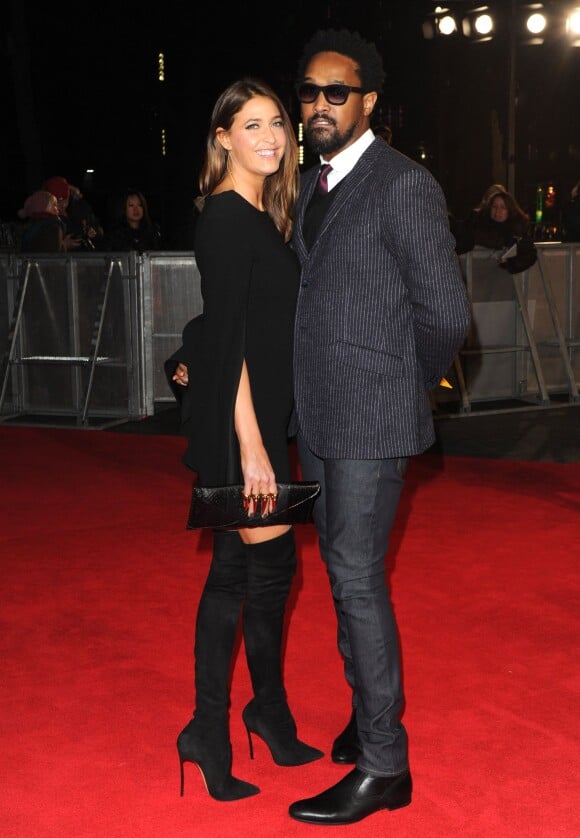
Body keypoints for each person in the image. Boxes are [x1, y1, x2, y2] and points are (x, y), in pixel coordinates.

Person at [287, 28, 471, 826]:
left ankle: (384, 766)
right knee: (341, 571)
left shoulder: (403, 184)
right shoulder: (311, 182)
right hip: (319, 414)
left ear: (368, 102)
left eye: (338, 92)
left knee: (357, 580)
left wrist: (399, 385)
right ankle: (367, 721)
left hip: (369, 416)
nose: (320, 104)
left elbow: (446, 315)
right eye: (310, 91)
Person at [164, 77, 323, 802]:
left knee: (237, 573)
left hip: (258, 419)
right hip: (242, 427)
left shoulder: (261, 216)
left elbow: (235, 328)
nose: (270, 135)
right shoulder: (227, 219)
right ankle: (224, 721)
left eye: (278, 123)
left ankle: (247, 717)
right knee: (263, 573)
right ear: (221, 137)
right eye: (250, 123)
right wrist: (255, 447)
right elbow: (227, 342)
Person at [452, 186, 537, 274]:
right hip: (475, 275)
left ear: (510, 210)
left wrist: (510, 263)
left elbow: (529, 254)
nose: (497, 211)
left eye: (503, 208)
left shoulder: (517, 229)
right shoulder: (477, 223)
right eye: (494, 207)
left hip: (503, 281)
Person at [41, 176, 102, 250]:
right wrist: (63, 245)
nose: (63, 204)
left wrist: (91, 232)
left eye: (65, 199)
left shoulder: (78, 208)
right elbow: (39, 248)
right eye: (58, 201)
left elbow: (98, 230)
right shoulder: (44, 218)